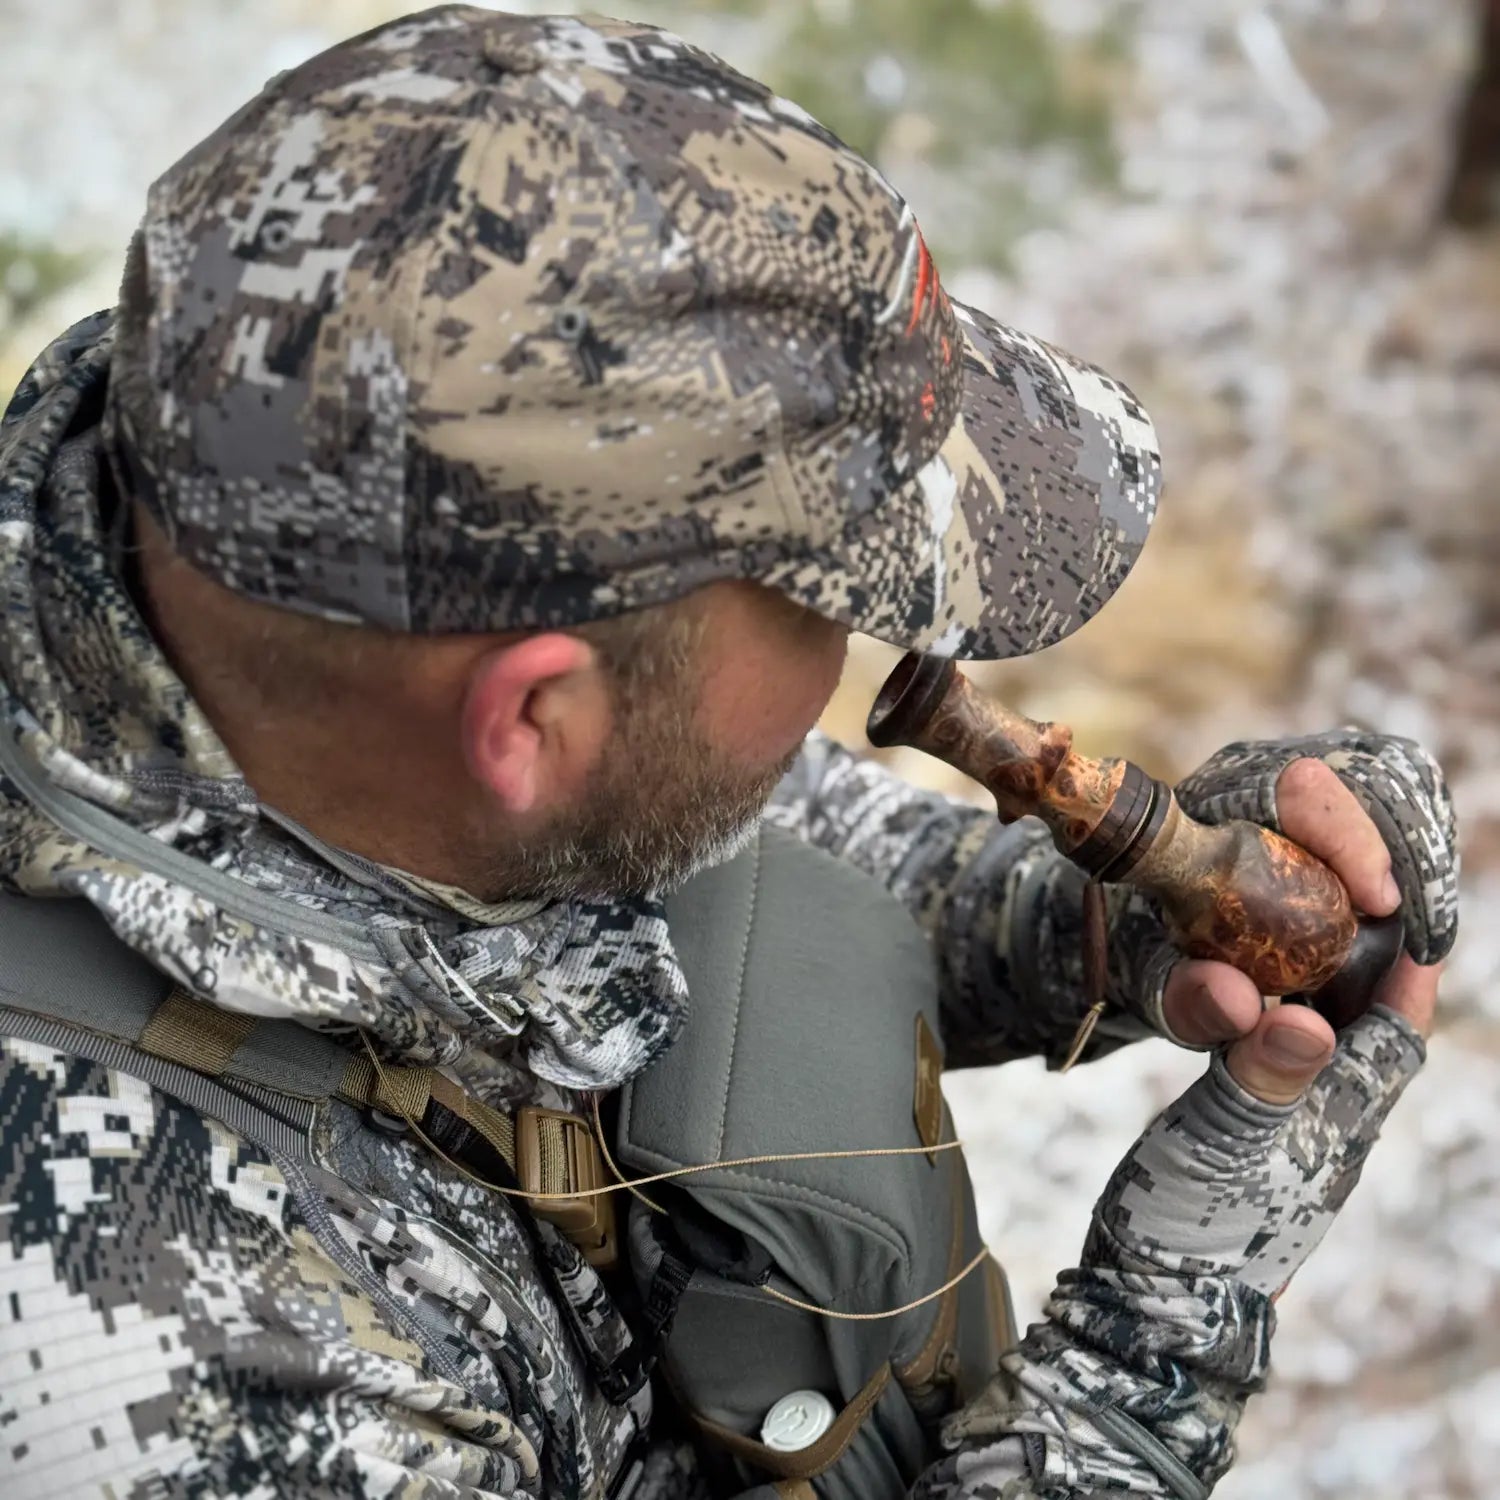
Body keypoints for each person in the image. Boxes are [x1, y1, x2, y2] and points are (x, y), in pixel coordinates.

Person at [0, 9, 1458, 1499]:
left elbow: (731, 842)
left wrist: (1107, 918)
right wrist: (1149, 1359)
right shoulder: (160, 1388)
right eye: (833, 601)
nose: (877, 659)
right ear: (529, 720)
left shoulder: (272, 563)